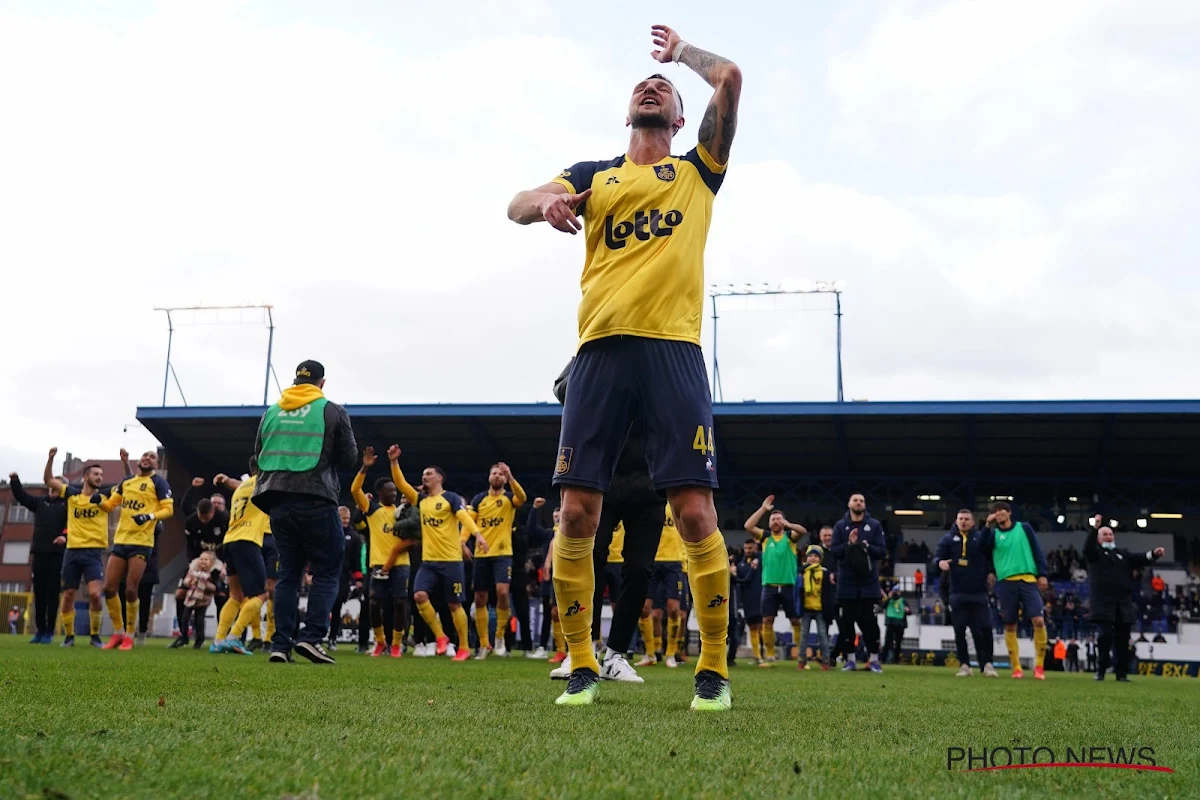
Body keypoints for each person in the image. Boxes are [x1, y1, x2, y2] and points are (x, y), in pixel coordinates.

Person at [507, 23, 741, 711]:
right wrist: (543, 205)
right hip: (601, 350)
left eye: (662, 88)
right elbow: (514, 204)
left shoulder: (698, 170)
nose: (652, 85)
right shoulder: (591, 177)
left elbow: (729, 79)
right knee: (576, 510)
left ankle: (716, 669)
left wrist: (683, 56)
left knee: (694, 512)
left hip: (674, 350)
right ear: (629, 112)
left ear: (676, 117)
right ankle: (581, 663)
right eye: (645, 82)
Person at [252, 360, 357, 665]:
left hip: (277, 502)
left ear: (295, 381)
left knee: (287, 575)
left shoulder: (271, 411)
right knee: (326, 569)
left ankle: (280, 645)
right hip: (316, 498)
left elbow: (258, 453)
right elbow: (349, 458)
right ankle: (311, 638)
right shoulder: (332, 410)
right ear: (322, 383)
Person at [389, 445, 483, 662]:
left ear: (440, 478)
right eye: (423, 474)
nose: (425, 476)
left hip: (451, 561)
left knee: (454, 604)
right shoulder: (421, 500)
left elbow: (463, 517)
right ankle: (440, 638)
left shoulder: (450, 498)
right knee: (419, 595)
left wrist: (477, 535)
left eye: (429, 473)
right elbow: (401, 484)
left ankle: (464, 647)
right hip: (429, 561)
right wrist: (394, 462)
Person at [97, 450, 174, 650]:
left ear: (155, 464)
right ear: (139, 461)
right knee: (108, 588)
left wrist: (148, 517)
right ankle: (118, 633)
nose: (147, 458)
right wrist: (99, 501)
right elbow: (110, 505)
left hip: (142, 542)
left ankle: (130, 635)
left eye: (152, 457)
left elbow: (168, 509)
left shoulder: (158, 483)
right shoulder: (127, 482)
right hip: (121, 540)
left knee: (132, 588)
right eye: (144, 456)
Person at [351, 447, 418, 659]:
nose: (394, 493)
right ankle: (380, 642)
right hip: (378, 562)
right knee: (374, 604)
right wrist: (364, 467)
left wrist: (394, 463)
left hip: (401, 563)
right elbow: (355, 490)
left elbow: (404, 487)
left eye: (395, 491)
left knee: (400, 603)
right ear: (381, 493)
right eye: (390, 491)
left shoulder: (404, 511)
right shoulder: (372, 510)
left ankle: (396, 644)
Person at [47, 462, 121, 647]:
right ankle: (69, 636)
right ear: (86, 477)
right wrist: (50, 458)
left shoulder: (104, 495)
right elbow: (48, 480)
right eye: (96, 474)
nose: (99, 477)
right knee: (69, 594)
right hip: (72, 551)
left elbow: (126, 483)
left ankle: (94, 636)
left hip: (94, 552)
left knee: (95, 595)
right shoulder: (72, 494)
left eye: (101, 475)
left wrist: (126, 463)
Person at [1084, 524, 1164, 682]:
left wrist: (1154, 554)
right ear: (1098, 539)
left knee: (1122, 640)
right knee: (1105, 637)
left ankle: (1122, 673)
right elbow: (1087, 548)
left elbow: (1140, 558)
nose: (1109, 537)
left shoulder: (1123, 554)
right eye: (1105, 534)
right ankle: (1100, 670)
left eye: (1110, 534)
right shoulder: (1095, 555)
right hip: (1103, 603)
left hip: (1123, 603)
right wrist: (1094, 528)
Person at [981, 501, 1049, 680]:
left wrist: (1042, 574)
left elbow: (1036, 550)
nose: (999, 514)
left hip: (1028, 579)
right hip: (1005, 582)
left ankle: (1039, 666)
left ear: (1009, 513)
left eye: (1002, 511)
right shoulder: (993, 534)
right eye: (995, 512)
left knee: (1039, 620)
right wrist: (987, 526)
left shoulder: (1024, 528)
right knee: (1010, 624)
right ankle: (1017, 667)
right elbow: (982, 549)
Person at [210, 464, 272, 655]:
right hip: (248, 540)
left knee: (236, 596)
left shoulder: (242, 487)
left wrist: (227, 480)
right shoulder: (264, 482)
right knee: (262, 594)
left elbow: (238, 484)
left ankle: (218, 640)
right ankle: (234, 637)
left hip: (230, 540)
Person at [468, 462, 526, 659]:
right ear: (489, 477)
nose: (497, 476)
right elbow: (469, 522)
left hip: (503, 553)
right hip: (481, 554)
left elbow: (523, 497)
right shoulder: (479, 500)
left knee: (502, 592)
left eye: (501, 474)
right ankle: (484, 644)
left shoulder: (509, 498)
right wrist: (461, 543)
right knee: (480, 598)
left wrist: (511, 476)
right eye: (495, 473)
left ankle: (500, 636)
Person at [9, 450, 67, 643]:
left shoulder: (67, 506)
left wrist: (64, 537)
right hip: (40, 553)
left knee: (53, 593)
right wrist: (15, 481)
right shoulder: (41, 502)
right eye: (51, 485)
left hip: (57, 555)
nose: (53, 489)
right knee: (39, 593)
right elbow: (23, 497)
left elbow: (73, 526)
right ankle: (40, 630)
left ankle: (50, 631)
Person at [744, 496, 806, 664]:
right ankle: (770, 654)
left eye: (779, 519)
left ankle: (801, 656)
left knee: (795, 620)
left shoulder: (790, 537)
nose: (776, 521)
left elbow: (802, 531)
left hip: (788, 585)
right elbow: (748, 526)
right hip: (769, 585)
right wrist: (763, 509)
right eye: (773, 519)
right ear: (769, 522)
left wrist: (789, 525)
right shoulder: (764, 537)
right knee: (767, 620)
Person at [936, 510, 997, 677]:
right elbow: (937, 557)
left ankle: (987, 664)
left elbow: (989, 552)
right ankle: (964, 665)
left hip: (978, 592)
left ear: (972, 522)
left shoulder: (980, 538)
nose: (963, 522)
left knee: (984, 629)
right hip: (957, 593)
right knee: (959, 630)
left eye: (967, 519)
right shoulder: (948, 540)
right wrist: (940, 562)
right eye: (960, 519)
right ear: (956, 521)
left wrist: (991, 571)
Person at [830, 494, 886, 673]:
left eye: (861, 500)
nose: (858, 503)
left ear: (865, 505)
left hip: (869, 582)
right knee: (846, 622)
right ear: (849, 504)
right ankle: (850, 660)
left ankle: (874, 660)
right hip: (846, 582)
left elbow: (882, 551)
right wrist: (849, 544)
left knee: (869, 622)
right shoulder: (840, 526)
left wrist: (866, 546)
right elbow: (835, 551)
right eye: (855, 500)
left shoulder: (874, 525)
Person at [171, 492, 228, 647]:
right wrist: (192, 564)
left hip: (218, 563)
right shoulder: (192, 521)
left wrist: (225, 565)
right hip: (198, 562)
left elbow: (230, 544)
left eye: (206, 517)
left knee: (221, 596)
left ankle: (222, 638)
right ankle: (183, 636)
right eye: (200, 516)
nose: (203, 520)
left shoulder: (224, 520)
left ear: (213, 512)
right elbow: (190, 546)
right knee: (180, 594)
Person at [638, 503, 687, 668]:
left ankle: (671, 654)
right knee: (646, 609)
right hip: (652, 560)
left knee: (673, 609)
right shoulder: (650, 504)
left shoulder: (677, 504)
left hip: (674, 563)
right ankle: (650, 653)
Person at [329, 506, 363, 651]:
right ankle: (315, 637)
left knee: (337, 607)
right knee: (323, 606)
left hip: (343, 577)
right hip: (327, 574)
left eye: (348, 518)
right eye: (343, 518)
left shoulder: (354, 537)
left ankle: (332, 638)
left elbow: (356, 559)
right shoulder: (328, 533)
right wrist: (311, 572)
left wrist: (358, 578)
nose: (346, 521)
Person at [180, 551, 224, 649]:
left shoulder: (213, 574)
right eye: (201, 559)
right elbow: (186, 581)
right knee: (185, 618)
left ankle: (199, 640)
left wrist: (203, 583)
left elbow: (215, 588)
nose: (203, 561)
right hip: (191, 598)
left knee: (199, 620)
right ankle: (184, 637)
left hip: (203, 600)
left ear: (211, 562)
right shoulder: (193, 570)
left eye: (206, 559)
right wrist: (191, 582)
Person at [797, 546, 831, 670]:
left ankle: (826, 661)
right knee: (804, 635)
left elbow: (827, 593)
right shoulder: (801, 572)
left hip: (819, 609)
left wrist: (828, 610)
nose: (813, 558)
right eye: (810, 556)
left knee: (822, 635)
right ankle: (801, 660)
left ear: (820, 559)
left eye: (816, 556)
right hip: (806, 608)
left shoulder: (824, 572)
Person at [733, 539, 763, 664]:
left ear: (755, 547)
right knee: (752, 627)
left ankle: (764, 655)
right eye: (746, 548)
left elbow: (743, 580)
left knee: (761, 627)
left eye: (750, 548)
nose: (747, 551)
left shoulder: (761, 559)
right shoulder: (742, 563)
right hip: (747, 599)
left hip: (760, 597)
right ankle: (757, 657)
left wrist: (734, 576)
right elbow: (742, 579)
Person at [882, 587, 909, 664]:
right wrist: (888, 597)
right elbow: (883, 605)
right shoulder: (889, 600)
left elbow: (908, 611)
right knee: (887, 642)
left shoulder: (903, 601)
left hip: (900, 624)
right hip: (890, 623)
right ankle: (884, 659)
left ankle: (896, 660)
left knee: (898, 643)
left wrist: (907, 610)